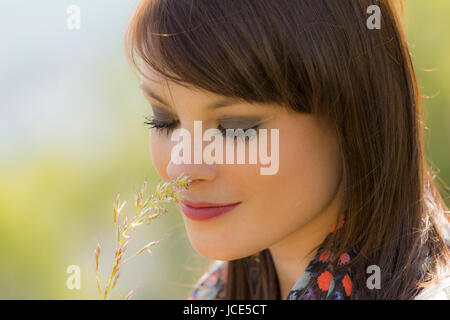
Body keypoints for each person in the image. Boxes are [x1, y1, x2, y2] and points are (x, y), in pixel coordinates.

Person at [125, 0, 450, 299]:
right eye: (164, 120)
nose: (181, 168)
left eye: (236, 128)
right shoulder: (216, 294)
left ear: (352, 115)